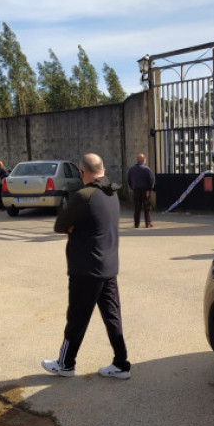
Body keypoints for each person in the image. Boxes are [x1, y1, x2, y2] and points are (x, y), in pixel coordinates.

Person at [42, 153, 131, 379]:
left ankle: (65, 364)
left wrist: (73, 226)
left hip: (87, 268)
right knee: (112, 316)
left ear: (82, 172)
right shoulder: (111, 192)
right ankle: (121, 363)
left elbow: (60, 224)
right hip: (108, 266)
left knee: (76, 318)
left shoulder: (84, 195)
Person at [127, 153, 155, 228]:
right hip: (145, 190)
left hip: (136, 190)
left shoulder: (131, 169)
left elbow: (129, 180)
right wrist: (150, 189)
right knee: (147, 207)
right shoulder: (147, 169)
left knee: (137, 208)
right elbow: (151, 180)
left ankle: (136, 224)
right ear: (143, 160)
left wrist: (132, 187)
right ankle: (148, 223)